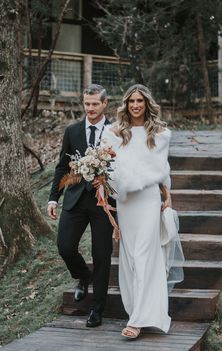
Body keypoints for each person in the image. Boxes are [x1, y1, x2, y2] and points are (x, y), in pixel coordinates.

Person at [100, 84, 173, 338]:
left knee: (144, 255)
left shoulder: (160, 134)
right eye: (131, 101)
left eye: (140, 100)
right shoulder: (115, 133)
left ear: (147, 103)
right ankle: (135, 312)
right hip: (126, 200)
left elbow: (161, 169)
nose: (135, 105)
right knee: (130, 258)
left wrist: (168, 196)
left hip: (148, 199)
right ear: (126, 104)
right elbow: (108, 166)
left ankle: (139, 320)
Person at [47, 84, 115, 328]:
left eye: (95, 104)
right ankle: (83, 276)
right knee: (65, 246)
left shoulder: (116, 131)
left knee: (102, 255)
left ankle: (97, 309)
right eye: (87, 103)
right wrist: (54, 197)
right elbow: (61, 167)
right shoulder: (72, 131)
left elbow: (125, 165)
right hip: (75, 199)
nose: (90, 108)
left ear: (105, 104)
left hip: (104, 201)